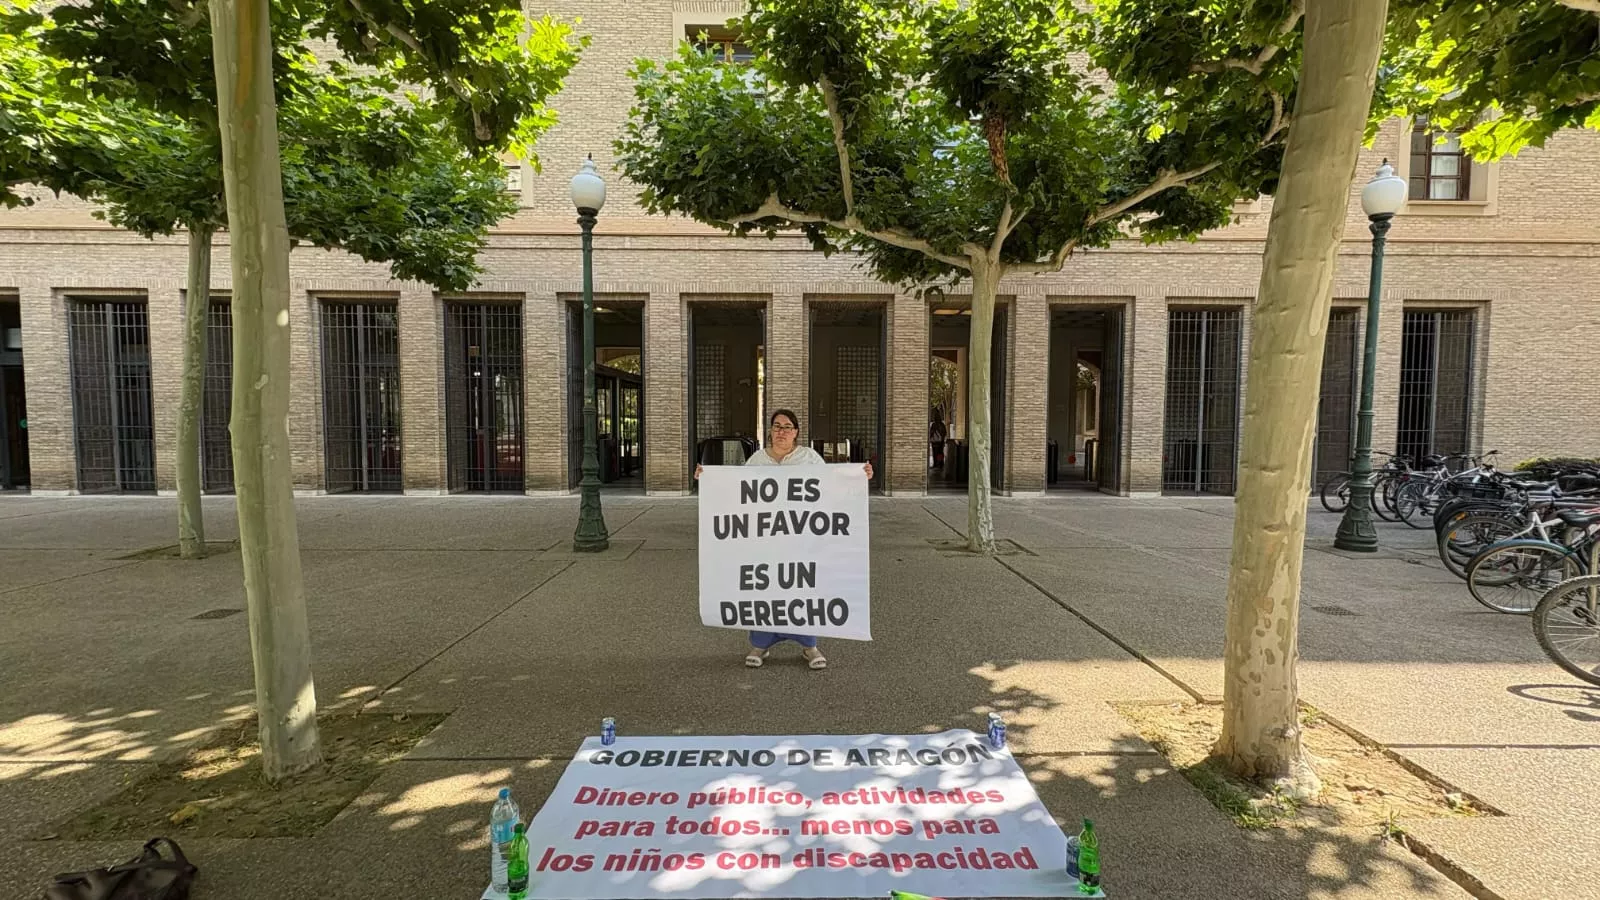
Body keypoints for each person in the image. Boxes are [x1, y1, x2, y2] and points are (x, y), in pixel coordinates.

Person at [697, 408, 872, 670]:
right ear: (770, 430)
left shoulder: (809, 458)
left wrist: (859, 477)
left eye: (787, 426)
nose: (781, 431)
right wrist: (709, 479)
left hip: (802, 540)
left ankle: (810, 645)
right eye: (777, 426)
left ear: (796, 432)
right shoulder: (757, 460)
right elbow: (737, 494)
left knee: (802, 589)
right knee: (765, 588)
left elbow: (831, 488)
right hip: (765, 542)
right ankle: (760, 643)